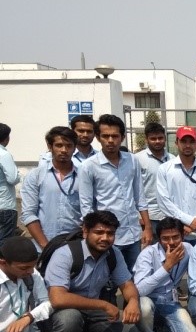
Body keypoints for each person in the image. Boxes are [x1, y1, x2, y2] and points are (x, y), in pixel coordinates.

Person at [46, 211, 141, 332]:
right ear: (85, 231)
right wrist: (103, 305)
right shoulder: (65, 254)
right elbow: (58, 298)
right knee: (70, 318)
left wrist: (133, 301)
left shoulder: (113, 254)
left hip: (91, 311)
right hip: (61, 311)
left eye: (110, 233)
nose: (105, 238)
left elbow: (127, 284)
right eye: (99, 232)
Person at [78, 114, 152, 271]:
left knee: (136, 275)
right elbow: (86, 205)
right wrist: (92, 234)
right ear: (98, 138)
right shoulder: (89, 166)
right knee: (107, 278)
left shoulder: (132, 160)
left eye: (115, 136)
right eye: (105, 136)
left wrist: (147, 228)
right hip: (107, 236)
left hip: (133, 233)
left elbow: (139, 196)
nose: (110, 140)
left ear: (122, 137)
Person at [133, 217, 196, 332]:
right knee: (144, 306)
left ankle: (159, 329)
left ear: (183, 235)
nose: (171, 242)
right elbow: (139, 290)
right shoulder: (148, 254)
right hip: (149, 300)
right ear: (159, 238)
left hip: (170, 302)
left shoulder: (188, 249)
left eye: (175, 237)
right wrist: (166, 267)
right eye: (165, 238)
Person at [21, 127, 82, 251]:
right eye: (59, 145)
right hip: (44, 247)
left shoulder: (84, 176)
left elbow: (90, 212)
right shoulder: (36, 175)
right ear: (50, 146)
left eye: (69, 146)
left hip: (76, 246)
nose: (64, 150)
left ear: (75, 148)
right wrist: (46, 246)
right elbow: (29, 214)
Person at [157, 126, 196, 245]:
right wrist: (188, 221)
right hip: (176, 233)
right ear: (176, 143)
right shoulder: (165, 169)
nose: (188, 145)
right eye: (183, 141)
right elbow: (163, 201)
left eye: (192, 142)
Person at [135, 122, 174, 237]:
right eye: (153, 138)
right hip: (148, 217)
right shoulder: (137, 159)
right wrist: (138, 215)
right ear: (146, 140)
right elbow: (133, 189)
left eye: (160, 138)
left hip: (169, 215)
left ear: (165, 138)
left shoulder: (172, 159)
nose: (157, 141)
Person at [0, 123, 20, 248]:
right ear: (7, 138)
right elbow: (13, 178)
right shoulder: (3, 154)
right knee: (5, 244)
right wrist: (18, 174)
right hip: (5, 206)